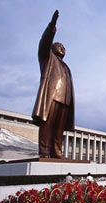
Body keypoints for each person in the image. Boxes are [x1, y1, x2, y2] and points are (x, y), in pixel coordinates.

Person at [32, 10, 75, 158]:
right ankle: (44, 152)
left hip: (64, 99)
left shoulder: (66, 67)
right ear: (52, 48)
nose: (63, 48)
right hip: (51, 96)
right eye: (59, 45)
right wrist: (52, 26)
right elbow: (44, 42)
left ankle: (56, 151)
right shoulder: (47, 58)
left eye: (64, 47)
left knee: (59, 128)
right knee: (47, 123)